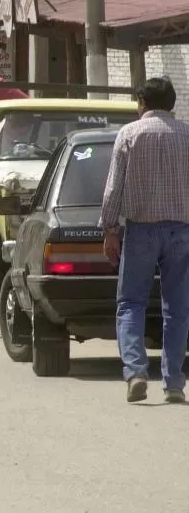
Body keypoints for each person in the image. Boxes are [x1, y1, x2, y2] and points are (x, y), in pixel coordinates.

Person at [101, 76, 189, 405]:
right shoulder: (187, 135)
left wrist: (109, 229)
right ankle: (175, 383)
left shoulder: (129, 134)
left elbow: (113, 189)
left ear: (141, 104)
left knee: (131, 304)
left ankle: (136, 372)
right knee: (178, 308)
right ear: (172, 104)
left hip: (141, 230)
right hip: (181, 230)